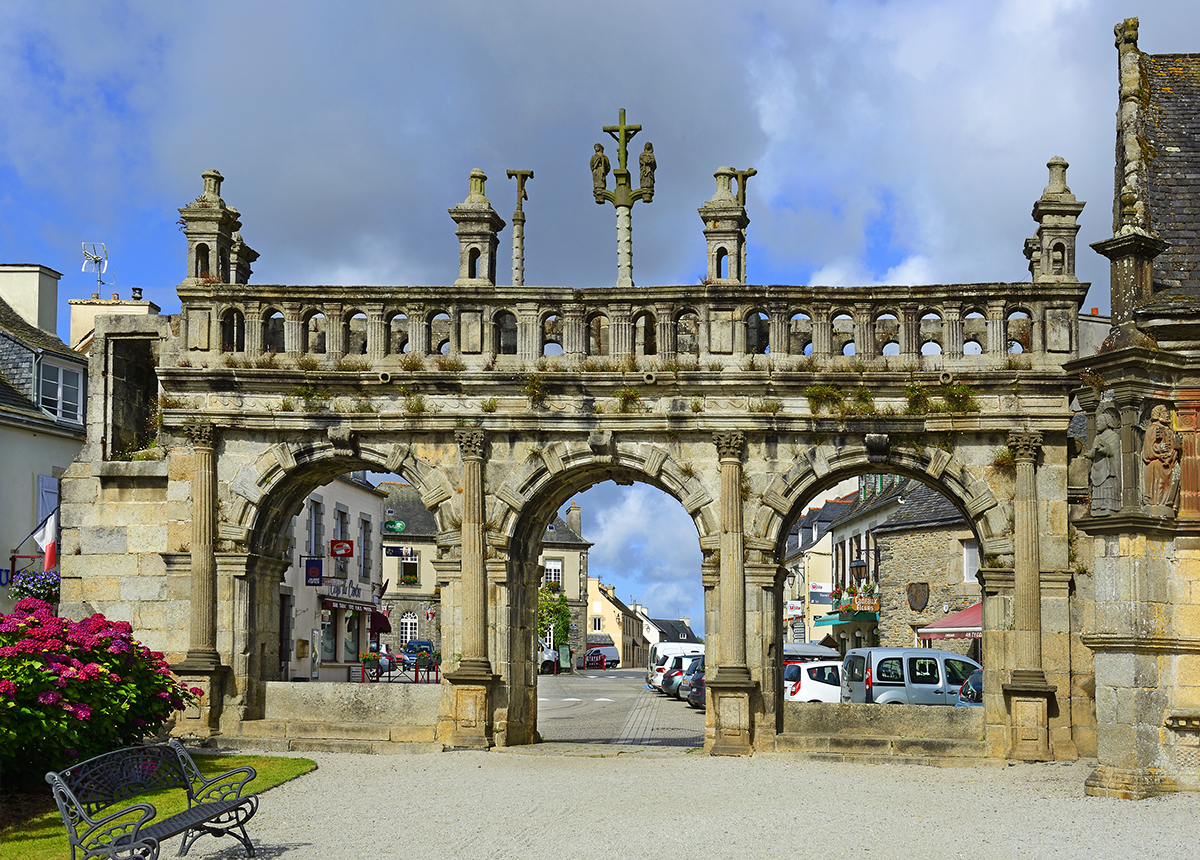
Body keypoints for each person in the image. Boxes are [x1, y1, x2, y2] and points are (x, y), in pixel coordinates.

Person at [1082, 406, 1121, 515]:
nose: (1097, 423)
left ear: (1107, 422)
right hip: (1099, 467)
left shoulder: (1113, 436)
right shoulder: (1097, 437)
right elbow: (1094, 451)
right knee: (1099, 488)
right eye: (1097, 421)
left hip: (1109, 469)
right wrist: (1090, 454)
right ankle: (1097, 507)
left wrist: (1104, 449)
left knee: (1107, 486)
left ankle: (1108, 506)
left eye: (1100, 421)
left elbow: (1113, 452)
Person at [1143, 404, 1180, 510]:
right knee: (1160, 476)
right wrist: (1160, 449)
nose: (1167, 415)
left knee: (1177, 471)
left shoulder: (1169, 430)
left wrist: (1176, 444)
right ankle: (1158, 504)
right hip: (1158, 461)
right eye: (1164, 412)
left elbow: (1174, 445)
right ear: (1158, 415)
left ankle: (1171, 503)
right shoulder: (1153, 429)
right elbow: (1148, 450)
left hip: (1171, 459)